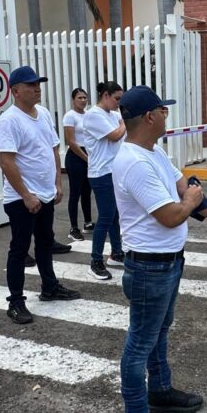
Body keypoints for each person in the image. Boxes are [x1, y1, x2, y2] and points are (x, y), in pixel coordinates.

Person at [113, 85, 207, 413]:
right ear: (149, 116)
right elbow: (171, 214)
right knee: (139, 343)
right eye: (163, 110)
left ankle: (160, 391)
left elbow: (188, 189)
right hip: (149, 267)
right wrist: (190, 199)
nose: (168, 115)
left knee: (159, 332)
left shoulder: (154, 153)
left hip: (168, 262)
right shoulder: (134, 161)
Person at [0, 66, 80, 325]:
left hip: (45, 193)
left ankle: (50, 287)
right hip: (22, 198)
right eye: (31, 85)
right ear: (16, 91)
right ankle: (16, 301)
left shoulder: (42, 113)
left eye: (38, 84)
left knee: (45, 243)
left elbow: (52, 149)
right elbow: (7, 163)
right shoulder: (8, 121)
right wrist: (26, 195)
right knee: (19, 249)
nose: (37, 88)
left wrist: (57, 183)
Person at [85, 81, 127, 280]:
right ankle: (95, 261)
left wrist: (122, 120)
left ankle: (116, 253)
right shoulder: (94, 115)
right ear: (106, 96)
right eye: (117, 99)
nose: (119, 103)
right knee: (105, 217)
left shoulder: (113, 114)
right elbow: (115, 136)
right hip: (101, 173)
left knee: (115, 215)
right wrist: (124, 122)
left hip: (114, 171)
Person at [63, 87, 95, 241]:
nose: (83, 100)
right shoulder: (70, 116)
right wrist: (86, 158)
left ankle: (87, 223)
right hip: (76, 157)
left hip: (87, 154)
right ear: (73, 99)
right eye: (80, 98)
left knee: (87, 191)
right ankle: (73, 228)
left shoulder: (89, 115)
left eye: (85, 98)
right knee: (75, 193)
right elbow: (71, 142)